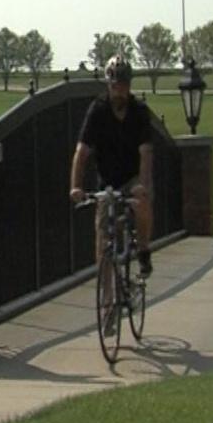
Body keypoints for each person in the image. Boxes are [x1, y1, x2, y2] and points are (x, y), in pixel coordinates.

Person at [69, 56, 155, 280]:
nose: (120, 92)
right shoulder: (98, 110)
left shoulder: (139, 111)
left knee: (142, 203)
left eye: (124, 86)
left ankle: (144, 250)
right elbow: (82, 151)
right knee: (103, 240)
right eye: (116, 86)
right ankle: (107, 304)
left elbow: (145, 152)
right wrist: (75, 187)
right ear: (109, 85)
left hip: (131, 178)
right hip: (106, 182)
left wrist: (143, 185)